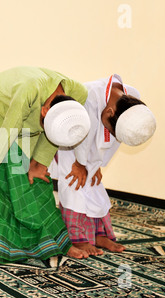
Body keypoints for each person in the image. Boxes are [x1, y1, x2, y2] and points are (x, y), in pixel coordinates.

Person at [0, 66, 93, 270]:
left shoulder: (78, 95)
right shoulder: (29, 90)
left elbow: (58, 131)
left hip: (27, 126)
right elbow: (11, 125)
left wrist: (39, 163)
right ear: (44, 111)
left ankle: (58, 242)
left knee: (37, 181)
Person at [49, 74, 156, 256]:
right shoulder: (88, 95)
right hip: (71, 139)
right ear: (109, 112)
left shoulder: (132, 97)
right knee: (73, 184)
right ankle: (77, 238)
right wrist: (80, 164)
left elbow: (116, 139)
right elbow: (82, 137)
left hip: (90, 144)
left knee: (93, 184)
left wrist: (97, 164)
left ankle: (99, 235)